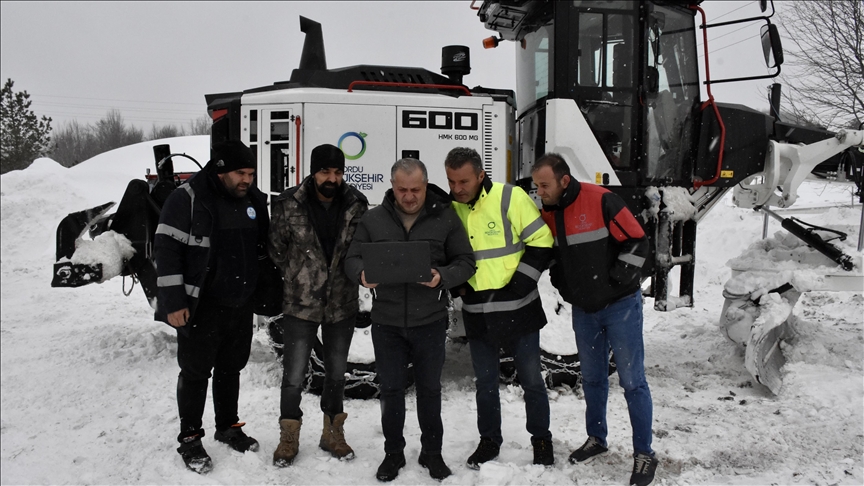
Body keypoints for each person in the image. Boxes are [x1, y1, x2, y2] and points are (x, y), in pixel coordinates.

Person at [344, 158, 475, 482]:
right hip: (387, 322)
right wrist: (362, 274)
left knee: (429, 390)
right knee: (390, 390)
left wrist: (442, 276)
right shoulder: (373, 219)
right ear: (392, 186)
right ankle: (393, 453)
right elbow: (352, 258)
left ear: (425, 185)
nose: (409, 196)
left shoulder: (444, 217)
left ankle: (432, 453)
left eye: (415, 189)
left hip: (429, 321)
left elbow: (466, 261)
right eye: (402, 189)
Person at [531, 153, 657, 486]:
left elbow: (638, 240)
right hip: (584, 311)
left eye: (544, 185)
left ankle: (644, 453)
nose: (539, 192)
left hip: (621, 306)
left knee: (632, 382)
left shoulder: (602, 200)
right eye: (536, 185)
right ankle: (596, 439)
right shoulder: (549, 213)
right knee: (592, 378)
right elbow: (553, 256)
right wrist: (564, 283)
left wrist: (616, 280)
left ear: (564, 181)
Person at [154, 140, 273, 473]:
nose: (247, 180)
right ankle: (190, 438)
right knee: (195, 373)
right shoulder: (187, 199)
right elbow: (166, 252)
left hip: (240, 304)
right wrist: (173, 302)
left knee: (231, 368)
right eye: (240, 173)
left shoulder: (253, 200)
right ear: (220, 170)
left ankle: (228, 426)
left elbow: (262, 249)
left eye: (251, 173)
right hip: (202, 306)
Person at [443, 147, 556, 469]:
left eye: (464, 181)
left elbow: (542, 243)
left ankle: (541, 439)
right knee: (485, 384)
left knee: (531, 381)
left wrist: (519, 285)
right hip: (478, 312)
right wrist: (458, 287)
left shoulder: (510, 197)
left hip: (520, 307)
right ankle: (489, 441)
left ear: (480, 175)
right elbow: (447, 255)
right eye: (451, 181)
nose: (457, 188)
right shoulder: (450, 209)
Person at [267, 144, 368, 467]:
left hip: (341, 303)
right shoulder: (288, 203)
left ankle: (332, 433)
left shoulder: (356, 203)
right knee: (294, 375)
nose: (332, 178)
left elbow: (361, 250)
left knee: (336, 373)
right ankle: (289, 436)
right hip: (301, 303)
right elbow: (276, 250)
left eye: (337, 172)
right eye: (325, 171)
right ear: (313, 172)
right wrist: (301, 276)